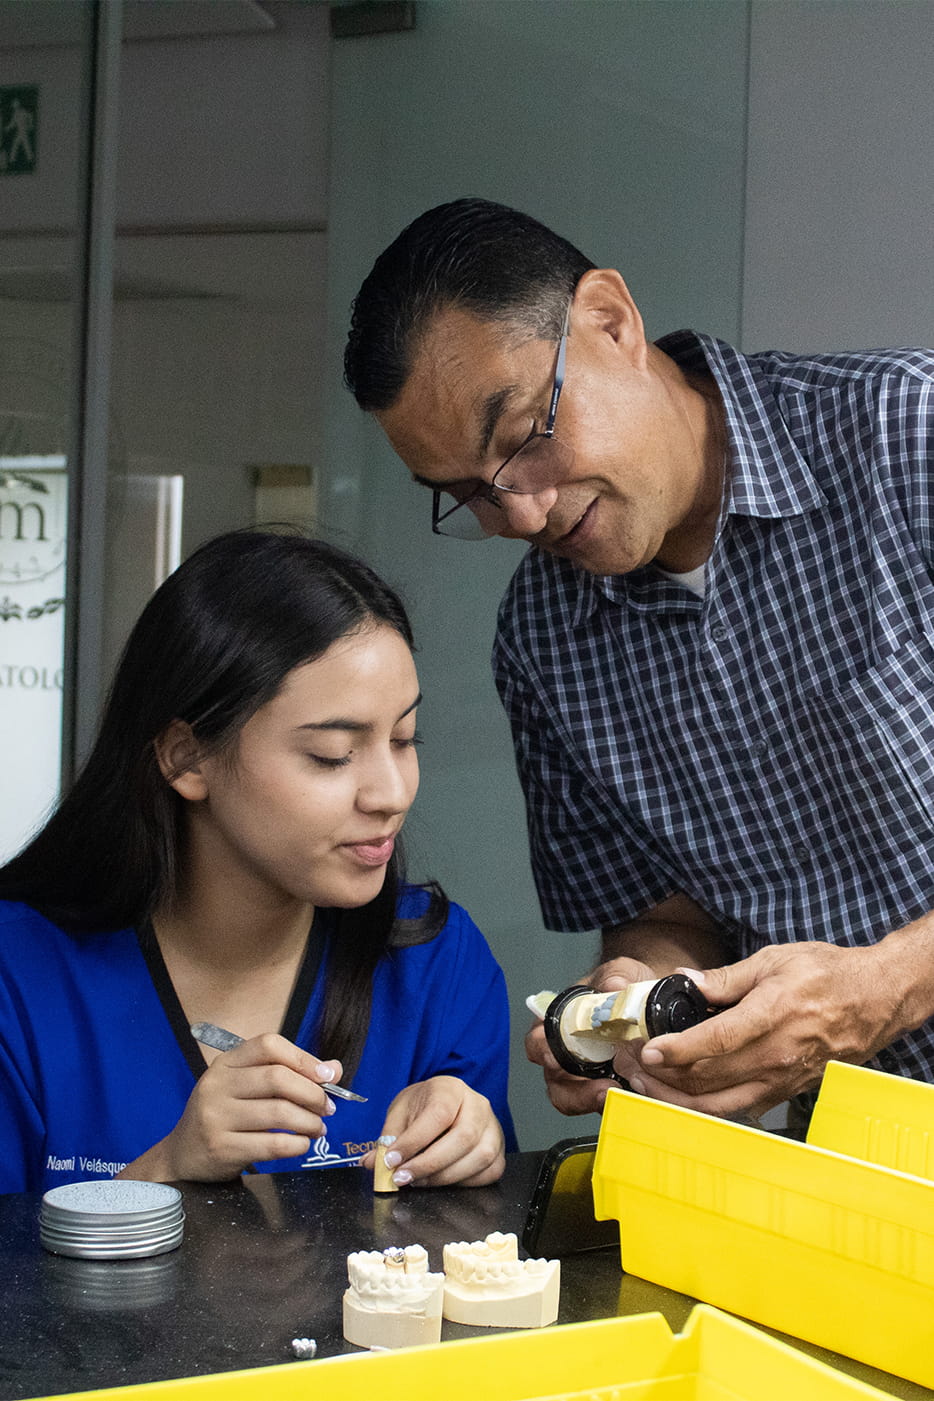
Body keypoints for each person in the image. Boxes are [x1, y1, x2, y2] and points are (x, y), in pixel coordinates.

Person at [343, 196, 934, 1131]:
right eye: (470, 495)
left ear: (610, 320)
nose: (523, 514)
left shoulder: (909, 436)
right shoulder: (543, 636)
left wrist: (888, 983)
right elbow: (670, 913)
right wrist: (638, 997)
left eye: (523, 436)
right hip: (853, 1167)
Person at [0, 529, 516, 1194]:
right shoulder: (20, 975)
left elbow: (497, 1249)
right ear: (187, 758)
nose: (391, 794)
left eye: (404, 739)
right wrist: (165, 1169)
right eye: (332, 755)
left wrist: (472, 1151)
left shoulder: (436, 965)